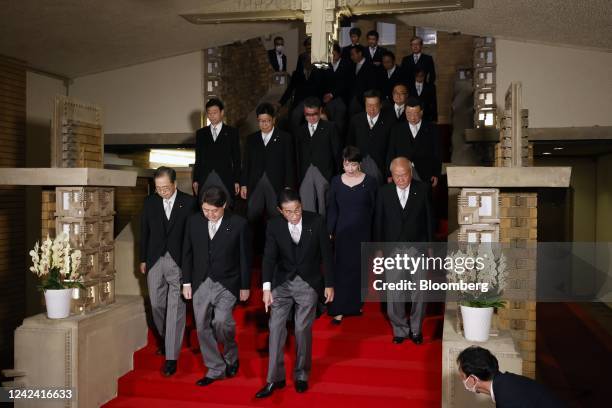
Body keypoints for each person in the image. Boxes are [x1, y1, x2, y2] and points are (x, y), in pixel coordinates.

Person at [255, 188, 334, 398]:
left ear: (301, 204)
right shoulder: (273, 226)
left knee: (301, 329)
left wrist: (329, 284)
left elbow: (327, 254)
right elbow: (269, 258)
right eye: (289, 212)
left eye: (297, 209)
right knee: (275, 328)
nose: (295, 214)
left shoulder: (316, 221)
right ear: (280, 211)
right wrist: (266, 289)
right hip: (282, 282)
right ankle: (274, 379)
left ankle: (301, 375)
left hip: (308, 282)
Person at [181, 186, 251, 386]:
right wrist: (186, 282)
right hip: (200, 281)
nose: (210, 215)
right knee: (202, 327)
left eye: (214, 211)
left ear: (224, 206)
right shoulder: (193, 221)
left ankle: (231, 354)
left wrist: (245, 286)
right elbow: (187, 253)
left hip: (227, 282)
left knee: (221, 322)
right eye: (206, 210)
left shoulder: (238, 224)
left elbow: (244, 257)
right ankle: (215, 368)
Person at [139, 166, 197, 376]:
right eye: (158, 188)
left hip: (178, 261)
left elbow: (192, 237)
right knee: (155, 304)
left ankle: (171, 357)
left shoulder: (190, 203)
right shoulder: (149, 202)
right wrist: (143, 258)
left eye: (165, 188)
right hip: (155, 259)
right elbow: (144, 231)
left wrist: (190, 265)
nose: (162, 192)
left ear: (174, 184)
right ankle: (167, 338)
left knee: (175, 307)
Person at [374, 158, 432, 345]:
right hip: (394, 249)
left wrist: (431, 247)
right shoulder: (383, 192)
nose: (401, 179)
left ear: (410, 171)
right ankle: (400, 329)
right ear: (391, 175)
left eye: (404, 174)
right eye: (396, 175)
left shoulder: (422, 189)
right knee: (395, 292)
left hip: (418, 247)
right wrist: (379, 250)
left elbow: (430, 219)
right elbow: (378, 222)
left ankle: (416, 329)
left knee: (420, 292)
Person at [327, 146, 377, 323]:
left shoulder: (370, 182)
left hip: (362, 231)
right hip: (342, 231)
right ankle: (339, 308)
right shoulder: (335, 181)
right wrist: (330, 231)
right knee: (340, 269)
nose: (349, 169)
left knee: (359, 269)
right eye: (346, 164)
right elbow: (332, 208)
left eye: (353, 165)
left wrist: (373, 234)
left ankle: (355, 304)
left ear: (359, 164)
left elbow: (374, 210)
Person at [457, 346, 566, 407]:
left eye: (462, 376)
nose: (462, 380)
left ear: (473, 379)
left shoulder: (508, 398)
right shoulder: (504, 382)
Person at [241, 103, 295, 223]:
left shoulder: (285, 138)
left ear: (274, 120)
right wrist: (243, 184)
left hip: (276, 183)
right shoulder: (251, 139)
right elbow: (246, 163)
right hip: (255, 182)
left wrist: (288, 186)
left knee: (276, 215)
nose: (264, 124)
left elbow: (289, 164)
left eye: (267, 121)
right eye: (261, 121)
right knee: (252, 214)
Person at [295, 97, 341, 216]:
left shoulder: (330, 127)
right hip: (305, 172)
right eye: (307, 114)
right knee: (306, 206)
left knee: (324, 206)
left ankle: (325, 232)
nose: (310, 117)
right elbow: (297, 154)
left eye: (314, 114)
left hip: (325, 172)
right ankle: (310, 232)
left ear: (320, 111)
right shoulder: (300, 130)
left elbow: (336, 153)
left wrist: (338, 176)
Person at [192, 98, 241, 205]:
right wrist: (195, 179)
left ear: (222, 112)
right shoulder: (201, 133)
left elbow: (237, 158)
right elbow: (198, 158)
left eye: (215, 112)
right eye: (209, 113)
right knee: (204, 205)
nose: (212, 116)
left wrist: (237, 180)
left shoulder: (232, 132)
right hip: (205, 177)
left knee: (227, 205)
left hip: (225, 176)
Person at [386, 97, 441, 188]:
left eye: (415, 113)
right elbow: (391, 152)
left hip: (425, 173)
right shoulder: (397, 129)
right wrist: (389, 173)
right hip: (401, 173)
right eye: (409, 113)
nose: (412, 117)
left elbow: (437, 152)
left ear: (421, 112)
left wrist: (436, 173)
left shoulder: (432, 129)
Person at [346, 89, 393, 184]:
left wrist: (389, 172)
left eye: (375, 106)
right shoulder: (356, 120)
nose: (372, 109)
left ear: (380, 105)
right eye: (369, 105)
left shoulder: (390, 122)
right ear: (364, 105)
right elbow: (350, 144)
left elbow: (391, 149)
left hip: (380, 168)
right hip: (359, 166)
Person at [279, 53, 326, 131]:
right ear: (302, 63)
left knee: (317, 118)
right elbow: (290, 89)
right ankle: (296, 139)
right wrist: (281, 102)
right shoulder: (296, 74)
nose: (309, 63)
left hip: (314, 100)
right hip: (301, 101)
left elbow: (322, 89)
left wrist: (323, 104)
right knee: (295, 115)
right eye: (306, 61)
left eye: (310, 61)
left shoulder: (318, 73)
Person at [323, 42, 351, 138]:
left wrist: (332, 95)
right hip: (328, 99)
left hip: (341, 98)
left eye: (334, 54)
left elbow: (346, 84)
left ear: (339, 54)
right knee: (329, 122)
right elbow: (324, 83)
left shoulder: (347, 64)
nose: (332, 57)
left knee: (339, 124)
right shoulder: (326, 65)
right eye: (330, 55)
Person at [348, 45, 379, 116]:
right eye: (351, 55)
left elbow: (372, 85)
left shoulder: (371, 66)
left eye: (353, 54)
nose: (351, 57)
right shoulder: (352, 66)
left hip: (365, 101)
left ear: (360, 53)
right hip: (353, 99)